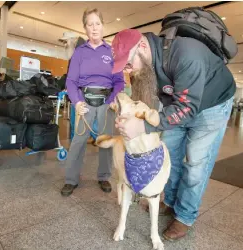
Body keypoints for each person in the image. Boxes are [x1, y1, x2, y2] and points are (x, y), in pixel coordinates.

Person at [112, 29, 236, 241]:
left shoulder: (185, 53)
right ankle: (169, 201)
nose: (126, 68)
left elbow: (187, 108)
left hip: (212, 106)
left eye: (128, 62)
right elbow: (154, 102)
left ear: (141, 47)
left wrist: (142, 127)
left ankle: (185, 216)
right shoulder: (149, 65)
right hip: (178, 104)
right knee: (171, 153)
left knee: (196, 163)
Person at [61, 8, 125, 196]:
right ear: (85, 28)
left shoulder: (112, 52)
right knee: (78, 141)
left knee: (105, 140)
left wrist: (114, 99)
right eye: (90, 24)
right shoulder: (80, 53)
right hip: (84, 101)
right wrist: (77, 102)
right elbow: (71, 81)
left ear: (103, 26)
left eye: (97, 23)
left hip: (107, 102)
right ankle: (71, 179)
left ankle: (104, 176)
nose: (94, 28)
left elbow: (119, 81)